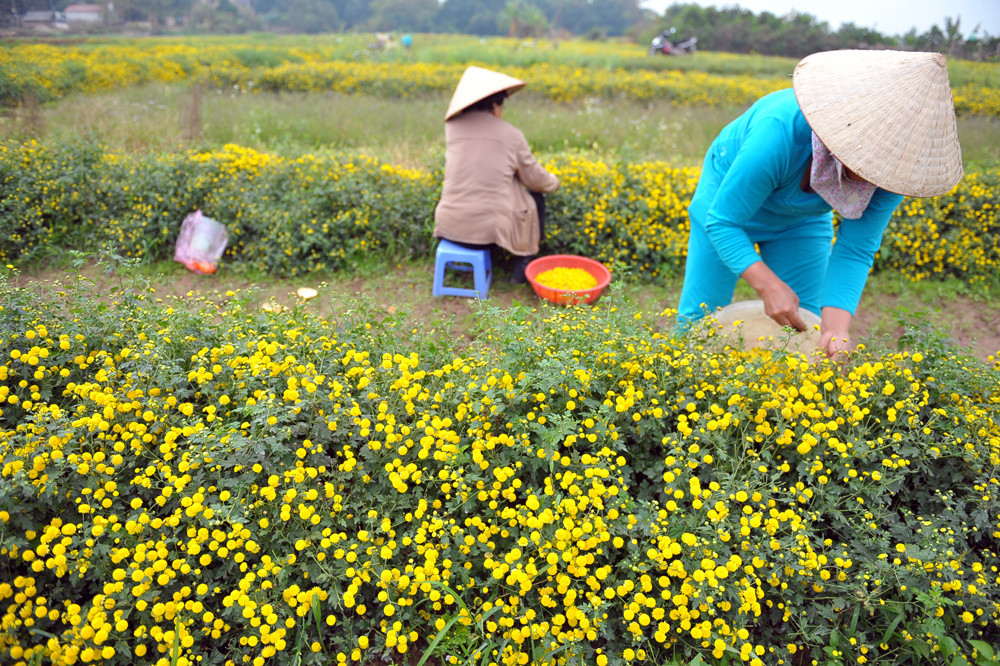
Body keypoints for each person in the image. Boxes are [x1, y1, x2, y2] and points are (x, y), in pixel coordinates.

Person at [678, 49, 963, 357]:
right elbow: (723, 221)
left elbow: (856, 249)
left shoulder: (895, 174)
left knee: (802, 330)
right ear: (843, 137)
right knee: (697, 328)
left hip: (800, 222)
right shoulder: (778, 134)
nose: (874, 178)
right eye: (866, 165)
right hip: (725, 210)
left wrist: (836, 329)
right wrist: (767, 286)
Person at [433, 66, 560, 284]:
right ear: (494, 105)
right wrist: (554, 182)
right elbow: (535, 179)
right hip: (487, 235)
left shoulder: (452, 128)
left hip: (447, 227)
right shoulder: (511, 135)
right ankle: (524, 261)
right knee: (534, 197)